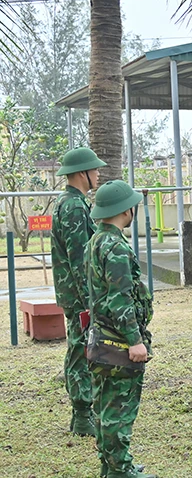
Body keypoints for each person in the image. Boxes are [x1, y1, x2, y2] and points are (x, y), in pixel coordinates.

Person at [86, 180, 157, 478]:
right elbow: (120, 298)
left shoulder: (96, 241)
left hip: (101, 336)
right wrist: (135, 341)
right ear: (126, 210)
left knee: (105, 403)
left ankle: (111, 463)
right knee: (120, 405)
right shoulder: (115, 247)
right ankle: (118, 468)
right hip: (117, 339)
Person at [51, 147, 107, 437]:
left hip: (73, 291)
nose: (97, 174)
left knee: (79, 347)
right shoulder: (73, 206)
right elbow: (78, 259)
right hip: (78, 294)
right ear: (82, 173)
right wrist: (90, 300)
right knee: (80, 350)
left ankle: (82, 414)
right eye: (94, 169)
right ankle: (82, 414)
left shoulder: (72, 202)